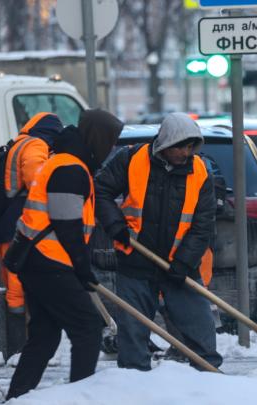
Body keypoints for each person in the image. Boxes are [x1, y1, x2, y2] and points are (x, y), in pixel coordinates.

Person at [6, 109, 123, 400]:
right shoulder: (70, 169)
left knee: (45, 337)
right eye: (110, 140)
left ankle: (18, 396)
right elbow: (66, 224)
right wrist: (82, 268)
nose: (111, 148)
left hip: (40, 260)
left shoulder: (68, 162)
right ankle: (79, 397)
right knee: (87, 328)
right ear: (98, 138)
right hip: (50, 261)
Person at [95, 112, 223, 371]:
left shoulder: (200, 172)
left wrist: (185, 262)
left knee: (201, 328)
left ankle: (210, 380)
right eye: (181, 146)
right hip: (136, 260)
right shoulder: (131, 159)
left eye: (190, 147)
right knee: (132, 333)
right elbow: (100, 190)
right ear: (165, 144)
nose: (186, 153)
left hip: (178, 265)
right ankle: (135, 383)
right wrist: (116, 226)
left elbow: (203, 225)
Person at [0, 112, 63, 314]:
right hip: (17, 217)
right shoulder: (35, 144)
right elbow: (36, 179)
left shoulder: (18, 142)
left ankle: (17, 317)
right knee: (17, 271)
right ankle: (20, 328)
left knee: (11, 272)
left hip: (5, 217)